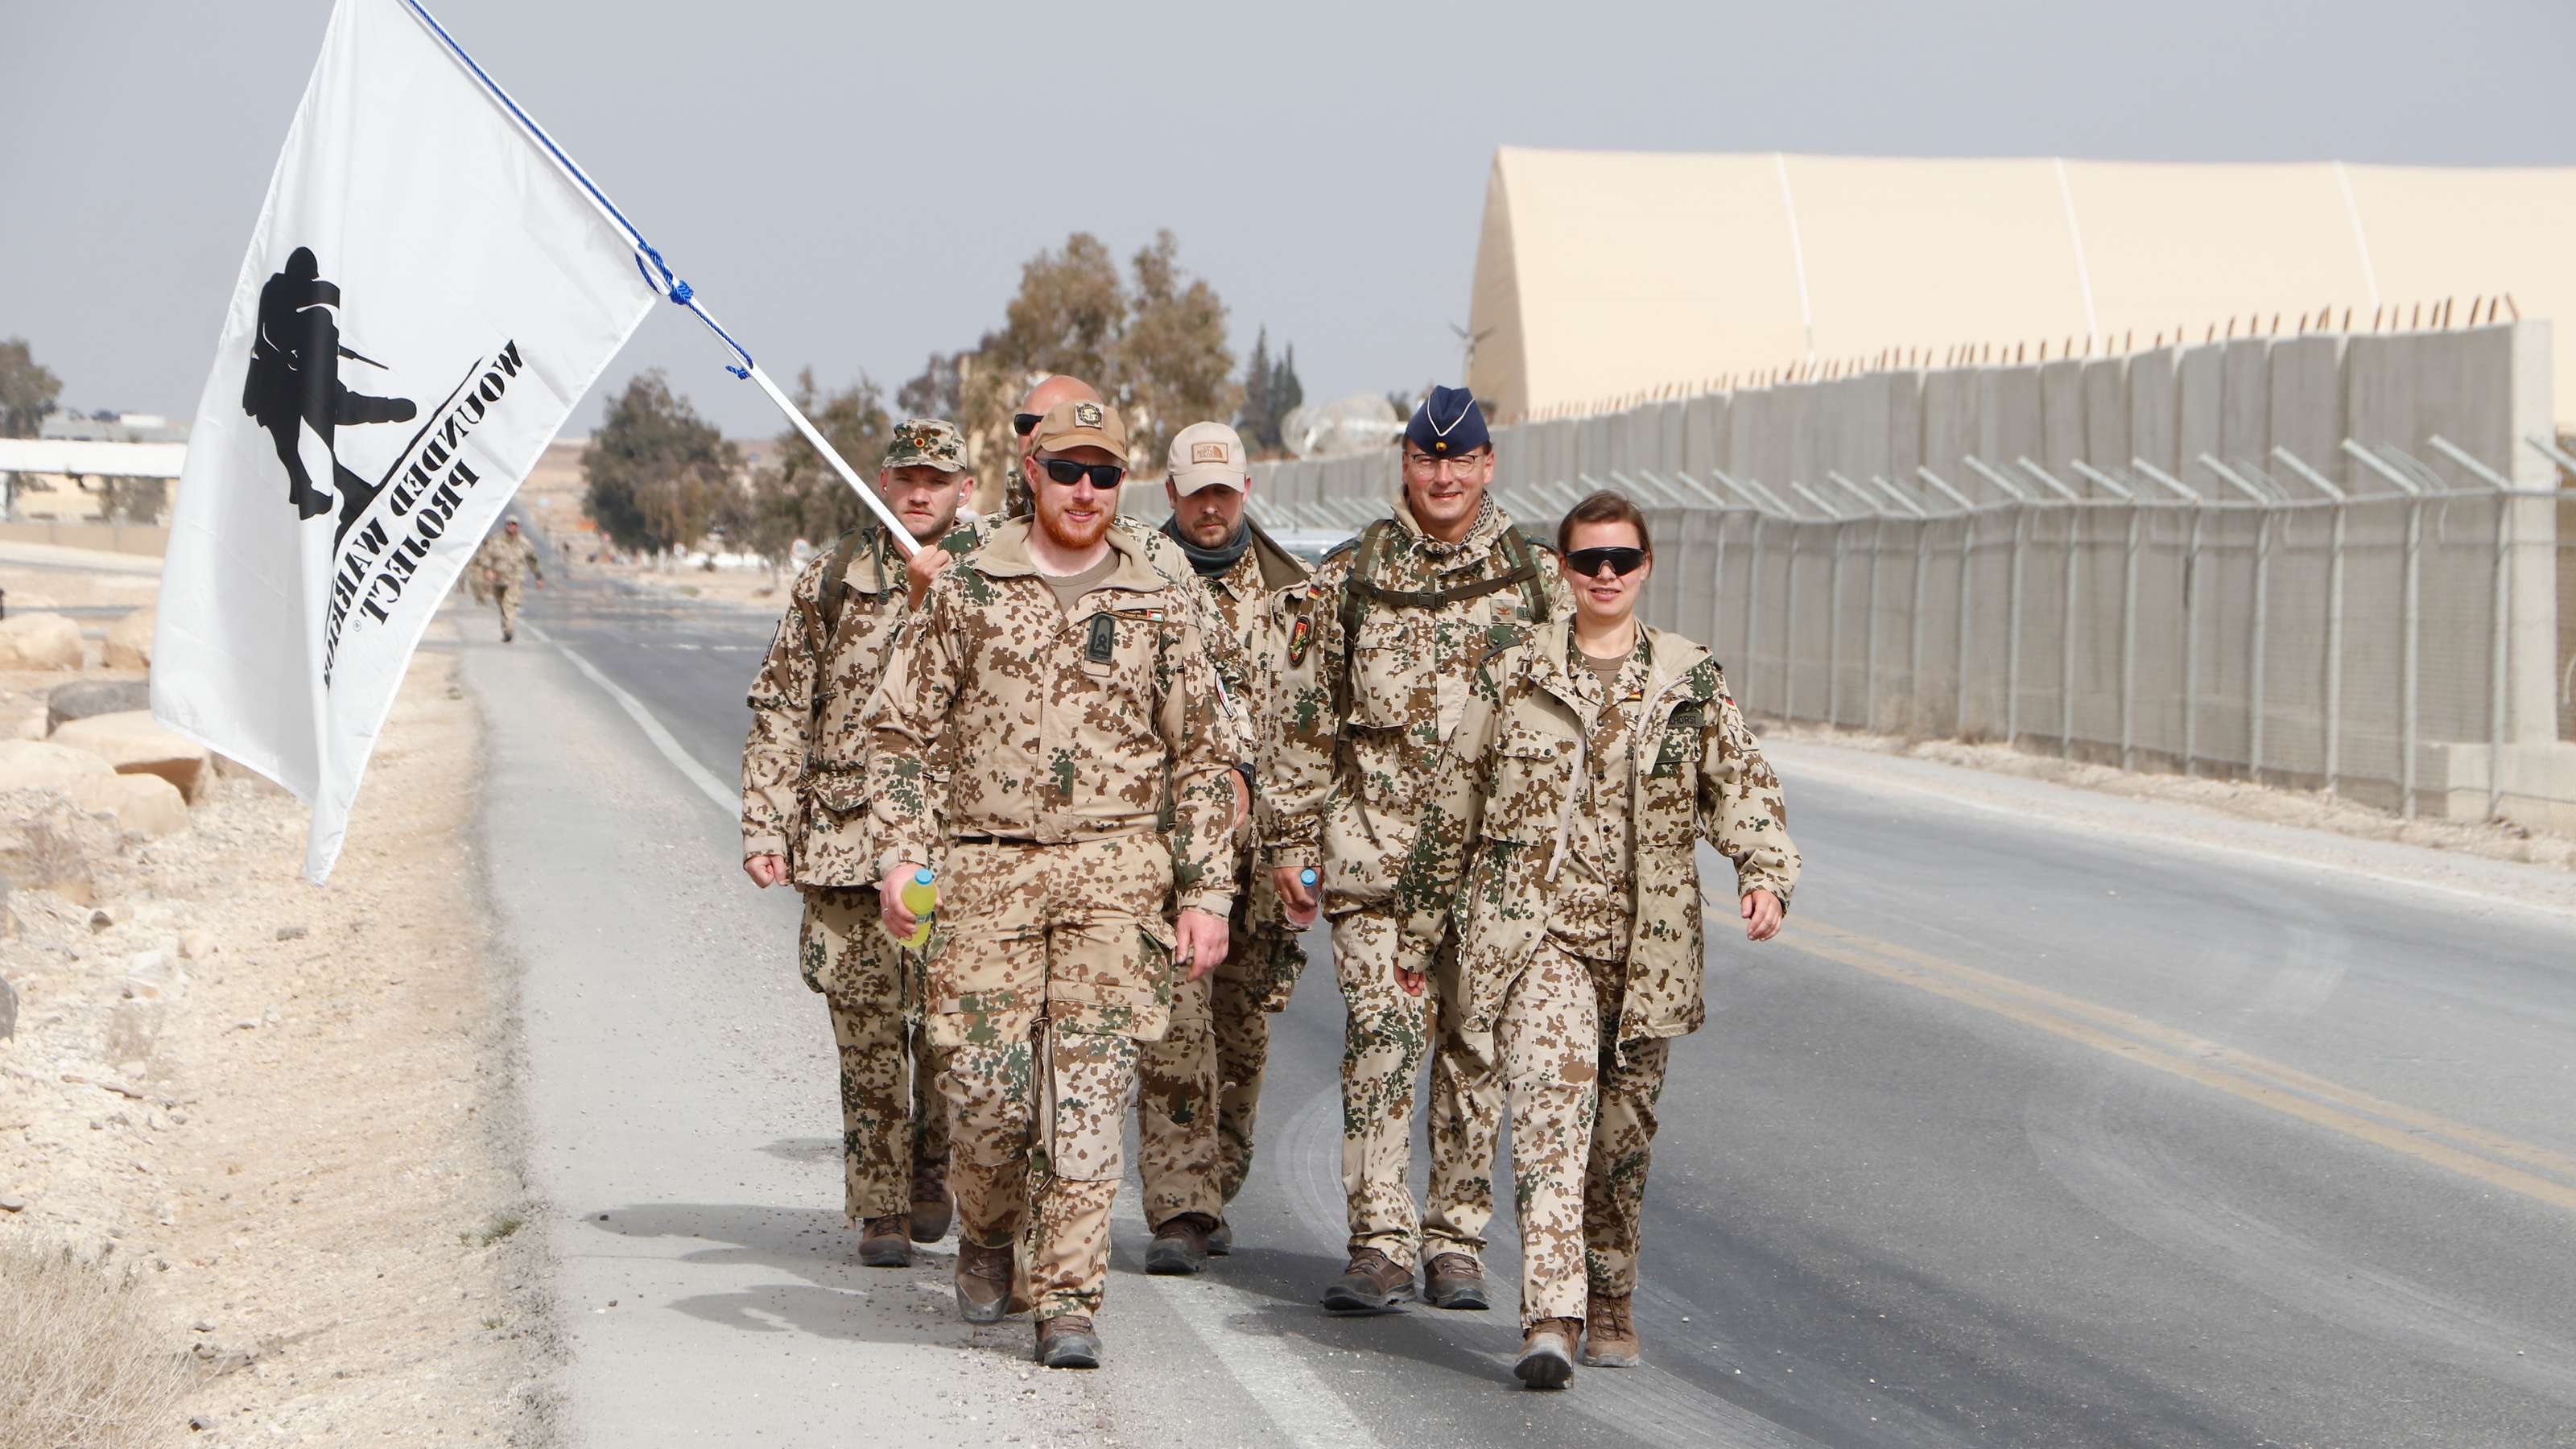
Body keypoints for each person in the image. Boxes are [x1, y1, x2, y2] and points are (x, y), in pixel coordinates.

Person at [861, 398, 1237, 1370]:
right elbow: (903, 734)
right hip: (985, 877)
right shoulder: (967, 588)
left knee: (1085, 1099)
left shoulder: (1160, 598)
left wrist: (1204, 895)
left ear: (1124, 484)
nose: (1083, 490)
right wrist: (901, 856)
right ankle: (987, 1234)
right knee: (985, 1097)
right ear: (1030, 473)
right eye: (1067, 470)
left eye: (1103, 474)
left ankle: (1067, 1300)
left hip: (1115, 884)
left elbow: (1202, 756)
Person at [1394, 489, 1799, 1388]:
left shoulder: (1687, 677)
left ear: (1645, 567)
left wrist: (1762, 870)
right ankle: (1550, 1316)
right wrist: (1418, 933)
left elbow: (1739, 784)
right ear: (1564, 572)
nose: (1605, 576)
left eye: (1620, 561)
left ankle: (1611, 1297)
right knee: (1550, 1115)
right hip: (1538, 941)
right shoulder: (1516, 670)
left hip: (1648, 954)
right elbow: (1454, 800)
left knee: (1619, 1142)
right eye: (1587, 562)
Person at [1265, 385, 1573, 1313]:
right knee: (1381, 1045)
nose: (1442, 475)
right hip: (1376, 863)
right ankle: (1379, 1240)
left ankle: (1455, 1240)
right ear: (1404, 463)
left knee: (1475, 1052)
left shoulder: (1538, 582)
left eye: (1460, 459)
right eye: (1426, 458)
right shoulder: (1351, 577)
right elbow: (1302, 723)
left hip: (1490, 870)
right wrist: (1289, 841)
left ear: (1486, 465)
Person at [740, 419, 980, 1266]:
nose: (921, 493)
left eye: (937, 479)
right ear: (882, 481)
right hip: (845, 842)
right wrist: (765, 822)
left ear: (966, 489)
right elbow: (780, 708)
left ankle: (930, 1167)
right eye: (907, 477)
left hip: (955, 847)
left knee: (950, 1036)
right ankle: (879, 1204)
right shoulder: (831, 579)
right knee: (867, 1034)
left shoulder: (992, 575)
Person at [1133, 421, 1315, 1273]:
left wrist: (1304, 843)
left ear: (1245, 492)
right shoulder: (1137, 579)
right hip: (1170, 847)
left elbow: (1317, 728)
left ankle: (1219, 1184)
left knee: (1241, 1033)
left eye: (1224, 493)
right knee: (1174, 1024)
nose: (1210, 509)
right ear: (1169, 495)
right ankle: (1179, 1205)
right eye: (1195, 493)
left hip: (1265, 851)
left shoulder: (1295, 596)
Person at [471, 517, 544, 642]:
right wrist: (488, 570)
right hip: (498, 578)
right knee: (501, 604)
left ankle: (508, 630)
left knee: (509, 604)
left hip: (515, 579)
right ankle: (506, 628)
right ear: (506, 525)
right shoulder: (496, 540)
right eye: (509, 524)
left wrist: (538, 576)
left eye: (514, 524)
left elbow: (532, 560)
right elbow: (486, 556)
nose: (511, 526)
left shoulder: (524, 543)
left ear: (517, 526)